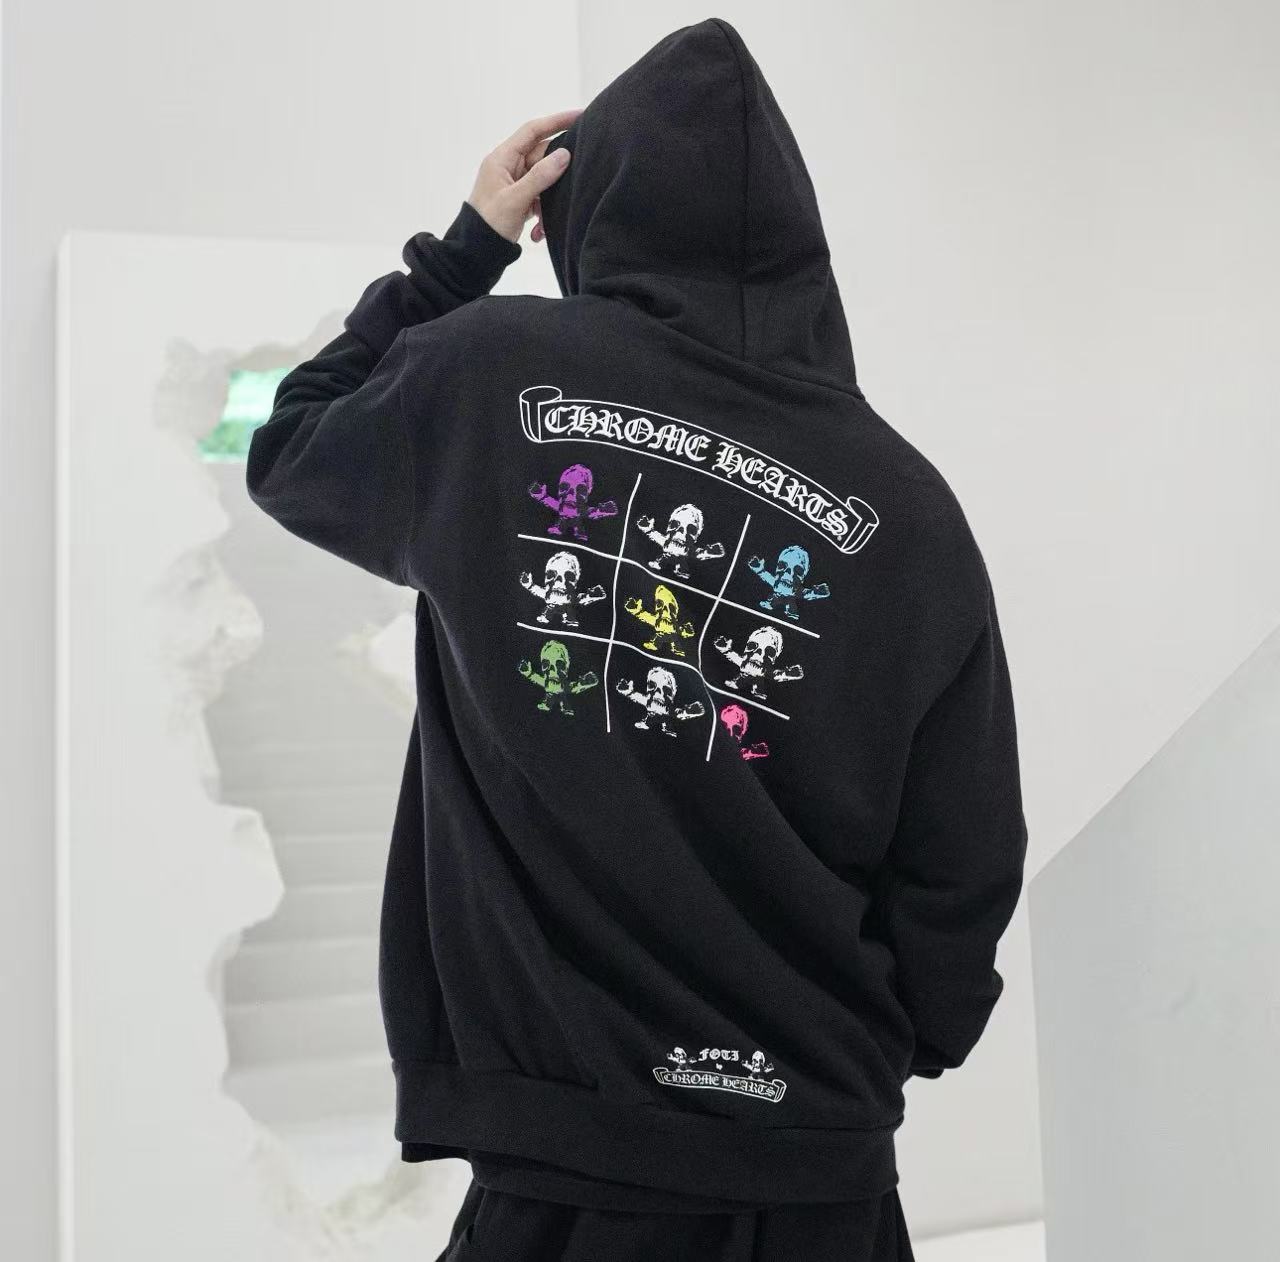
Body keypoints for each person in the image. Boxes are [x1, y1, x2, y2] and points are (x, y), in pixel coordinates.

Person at [245, 17, 1027, 1262]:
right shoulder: (907, 504)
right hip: (820, 1167)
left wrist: (463, 251)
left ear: (585, 209)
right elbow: (963, 855)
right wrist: (879, 1047)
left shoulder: (487, 377)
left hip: (571, 1158)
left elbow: (293, 447)